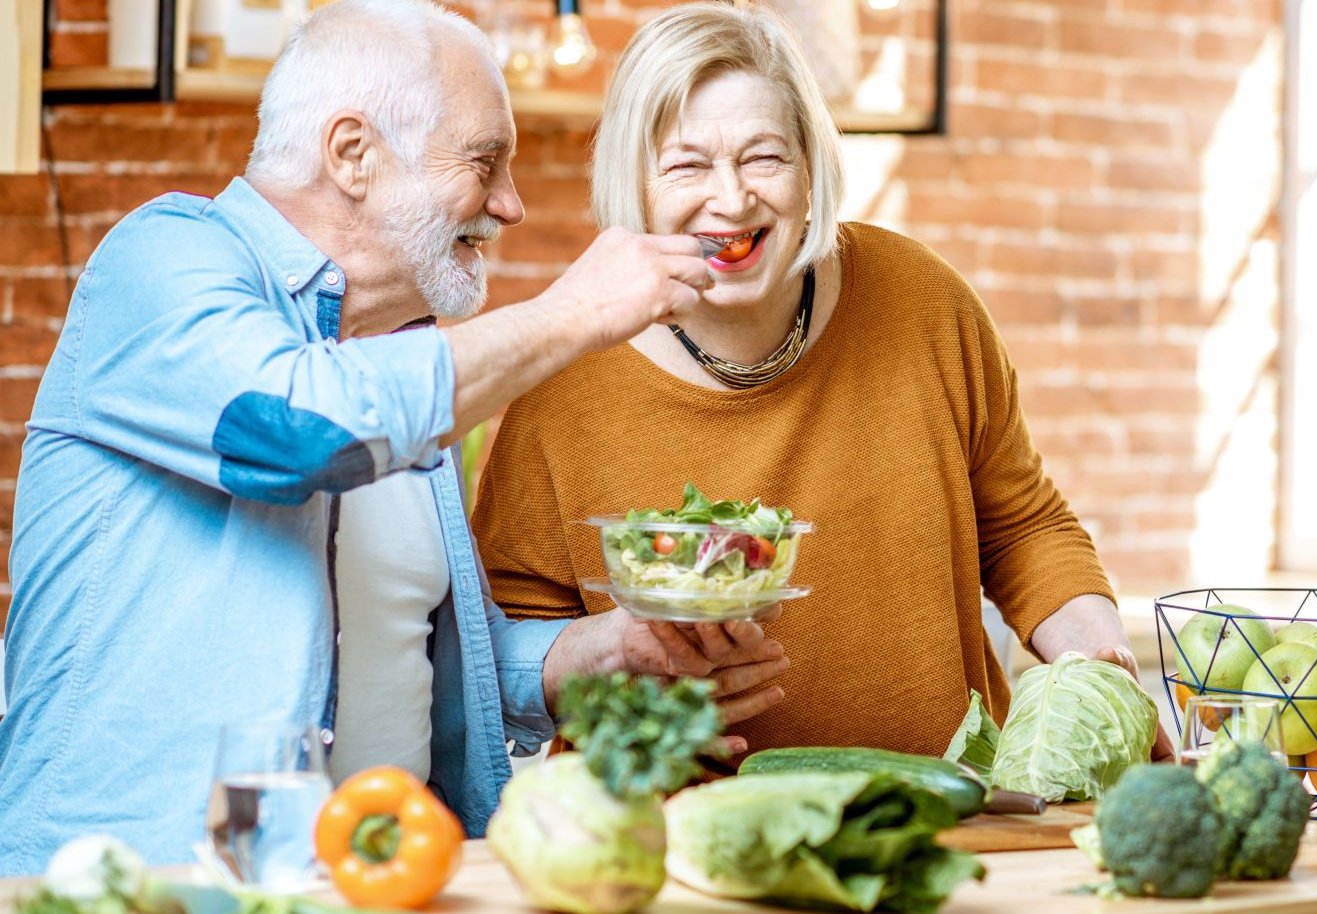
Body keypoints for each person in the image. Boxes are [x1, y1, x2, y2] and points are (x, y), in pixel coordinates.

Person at [0, 0, 787, 875]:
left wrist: (602, 654)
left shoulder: (404, 357)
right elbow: (296, 432)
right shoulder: (159, 262)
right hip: (140, 883)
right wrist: (576, 313)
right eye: (485, 162)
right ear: (352, 154)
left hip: (380, 879)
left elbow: (431, 658)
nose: (511, 205)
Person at [470, 1, 1170, 761]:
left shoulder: (923, 300)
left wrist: (1103, 665)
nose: (731, 198)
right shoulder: (565, 372)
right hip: (671, 837)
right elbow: (507, 635)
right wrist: (622, 666)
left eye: (763, 157)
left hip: (952, 819)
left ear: (810, 170)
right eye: (686, 163)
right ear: (633, 183)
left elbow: (1024, 527)